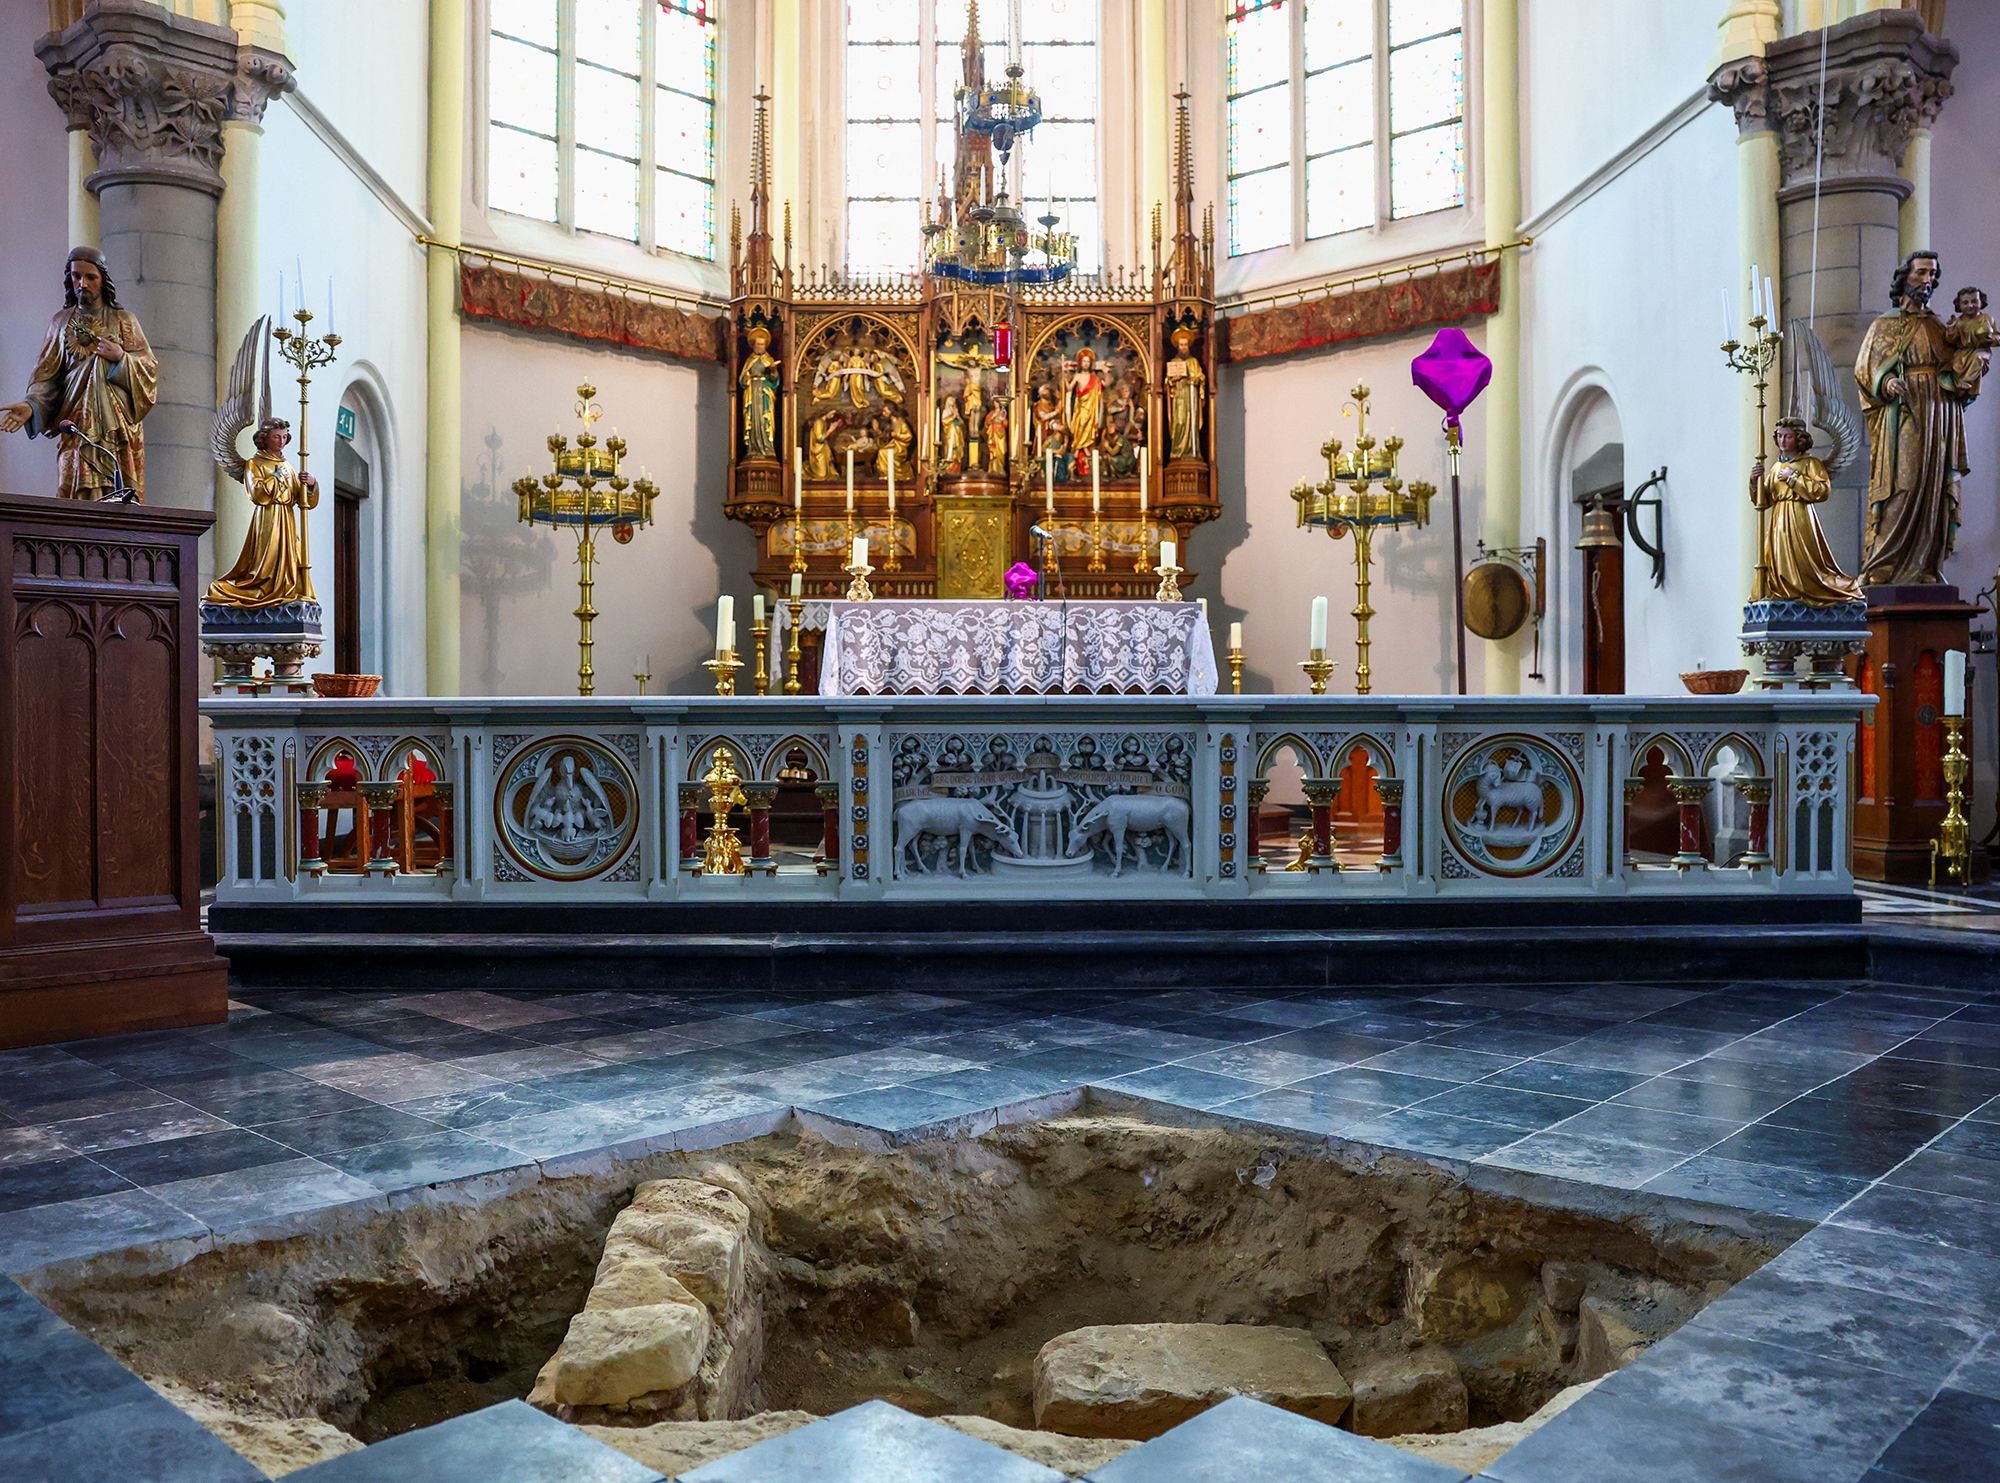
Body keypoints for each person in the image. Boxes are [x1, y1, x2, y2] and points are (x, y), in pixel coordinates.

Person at [1855, 250, 1983, 586]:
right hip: (1904, 413)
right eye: (1921, 273)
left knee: (1934, 486)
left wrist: (1972, 364)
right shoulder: (1884, 325)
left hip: (1939, 413)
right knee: (1905, 483)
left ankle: (1927, 563)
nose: (1927, 280)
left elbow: (1956, 373)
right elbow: (1864, 368)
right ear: (1905, 277)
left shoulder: (1939, 326)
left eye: (1932, 274)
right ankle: (1886, 560)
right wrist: (1886, 380)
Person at [1, 246, 158, 500]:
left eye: (90, 277)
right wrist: (32, 406)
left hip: (115, 430)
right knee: (75, 497)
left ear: (103, 280)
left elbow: (149, 370)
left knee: (116, 495)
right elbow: (47, 377)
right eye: (76, 276)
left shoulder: (124, 321)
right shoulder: (60, 323)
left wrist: (120, 358)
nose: (82, 283)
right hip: (76, 427)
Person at [207, 417, 320, 606]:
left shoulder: (288, 466)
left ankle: (286, 590)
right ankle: (264, 588)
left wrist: (311, 484)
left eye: (284, 437)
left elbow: (303, 501)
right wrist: (274, 478)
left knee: (291, 559)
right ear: (264, 438)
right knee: (267, 559)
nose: (281, 441)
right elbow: (257, 493)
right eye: (276, 437)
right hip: (268, 517)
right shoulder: (255, 464)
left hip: (287, 518)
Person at [1748, 418, 1861, 605]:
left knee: (1804, 561)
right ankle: (1782, 592)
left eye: (1788, 437)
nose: (1783, 441)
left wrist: (1793, 478)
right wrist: (1754, 481)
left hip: (1800, 516)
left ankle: (1805, 590)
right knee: (1778, 561)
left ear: (1799, 439)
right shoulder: (1776, 467)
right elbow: (1764, 500)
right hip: (1779, 520)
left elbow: (1822, 491)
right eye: (1780, 436)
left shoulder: (1810, 463)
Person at [737, 325, 780, 460]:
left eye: (763, 344)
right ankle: (753, 448)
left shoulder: (769, 359)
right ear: (753, 345)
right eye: (758, 344)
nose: (760, 347)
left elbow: (775, 380)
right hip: (752, 392)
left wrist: (773, 371)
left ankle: (767, 447)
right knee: (753, 420)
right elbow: (742, 380)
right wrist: (746, 378)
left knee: (765, 420)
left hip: (765, 392)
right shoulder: (749, 360)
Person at [1165, 325, 1206, 461]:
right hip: (1179, 397)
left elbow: (1201, 377)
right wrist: (1172, 380)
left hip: (1191, 396)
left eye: (1185, 345)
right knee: (1180, 422)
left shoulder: (1194, 362)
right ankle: (1177, 450)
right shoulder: (1173, 362)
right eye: (1181, 345)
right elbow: (1167, 382)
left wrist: (1197, 379)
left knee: (1191, 423)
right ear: (1177, 346)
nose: (1183, 347)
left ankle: (1192, 450)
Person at [1063, 347, 1104, 461]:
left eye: (1088, 361)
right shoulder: (1078, 376)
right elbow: (1069, 389)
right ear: (1080, 363)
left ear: (1090, 363)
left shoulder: (1094, 378)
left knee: (1089, 426)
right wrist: (1065, 377)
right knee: (1079, 425)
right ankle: (1077, 446)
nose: (1086, 363)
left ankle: (1085, 446)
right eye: (1084, 361)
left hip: (1091, 407)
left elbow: (1100, 391)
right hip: (1080, 406)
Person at [939, 395, 967, 474]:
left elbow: (962, 424)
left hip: (958, 434)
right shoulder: (946, 411)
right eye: (950, 400)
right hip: (951, 435)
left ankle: (957, 469)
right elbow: (944, 422)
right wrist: (953, 417)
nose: (952, 401)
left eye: (953, 400)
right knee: (952, 452)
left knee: (958, 453)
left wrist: (958, 417)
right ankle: (950, 470)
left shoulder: (956, 410)